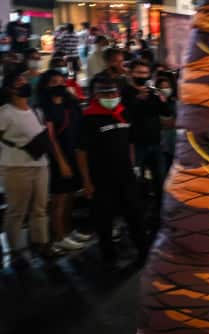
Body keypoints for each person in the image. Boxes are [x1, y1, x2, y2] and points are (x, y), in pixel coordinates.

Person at [77, 77, 149, 266]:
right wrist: (86, 181)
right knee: (104, 221)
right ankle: (109, 258)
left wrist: (133, 166)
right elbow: (81, 151)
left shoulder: (123, 113)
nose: (111, 97)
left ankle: (143, 252)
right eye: (105, 93)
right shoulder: (89, 118)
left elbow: (130, 142)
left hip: (126, 175)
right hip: (101, 178)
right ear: (96, 95)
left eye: (113, 92)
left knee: (135, 215)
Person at [0, 71, 59, 259]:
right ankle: (15, 250)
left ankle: (41, 242)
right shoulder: (5, 113)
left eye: (25, 81)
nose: (25, 84)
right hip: (15, 166)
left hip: (40, 164)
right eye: (19, 81)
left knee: (40, 207)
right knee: (17, 210)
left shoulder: (36, 110)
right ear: (10, 89)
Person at [35, 69, 88, 252]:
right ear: (45, 86)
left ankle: (68, 231)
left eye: (61, 81)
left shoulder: (69, 103)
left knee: (70, 195)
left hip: (73, 154)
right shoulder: (45, 108)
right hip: (58, 158)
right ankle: (58, 237)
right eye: (53, 82)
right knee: (59, 199)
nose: (59, 85)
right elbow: (51, 138)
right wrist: (61, 162)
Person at [124, 60, 170, 207]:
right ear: (131, 74)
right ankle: (138, 212)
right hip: (135, 144)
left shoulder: (152, 92)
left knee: (160, 179)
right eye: (139, 72)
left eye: (145, 73)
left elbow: (166, 112)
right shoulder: (125, 92)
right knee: (136, 181)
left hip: (156, 143)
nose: (142, 76)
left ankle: (160, 211)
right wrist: (137, 100)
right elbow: (125, 115)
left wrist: (163, 99)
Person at [156, 73, 178, 172]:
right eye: (162, 87)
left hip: (174, 141)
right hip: (161, 142)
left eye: (167, 87)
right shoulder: (155, 102)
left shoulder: (175, 102)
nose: (165, 89)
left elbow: (175, 122)